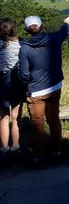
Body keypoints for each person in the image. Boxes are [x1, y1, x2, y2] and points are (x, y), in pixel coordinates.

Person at [18, 15, 69, 162]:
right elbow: (63, 32)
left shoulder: (25, 49)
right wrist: (66, 23)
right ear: (42, 26)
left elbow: (24, 74)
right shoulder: (54, 39)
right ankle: (57, 149)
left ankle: (38, 154)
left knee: (37, 124)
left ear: (27, 30)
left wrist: (27, 85)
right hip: (55, 86)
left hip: (36, 91)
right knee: (54, 119)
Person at [0, 18, 25, 155]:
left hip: (1, 80)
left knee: (3, 116)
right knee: (16, 117)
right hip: (16, 80)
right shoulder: (20, 43)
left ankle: (4, 147)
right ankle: (16, 145)